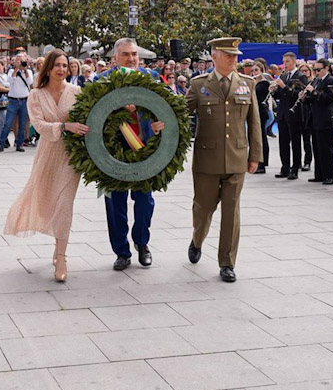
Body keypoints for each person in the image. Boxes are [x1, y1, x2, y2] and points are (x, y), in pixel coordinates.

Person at [3, 50, 87, 282]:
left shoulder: (77, 92)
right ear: (48, 68)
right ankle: (57, 243)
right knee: (47, 201)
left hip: (71, 156)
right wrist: (64, 127)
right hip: (48, 154)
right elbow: (38, 125)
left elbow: (88, 118)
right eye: (57, 65)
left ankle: (61, 257)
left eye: (65, 65)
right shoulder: (36, 95)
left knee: (64, 204)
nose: (62, 70)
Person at [185, 38, 262, 283]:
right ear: (214, 56)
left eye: (235, 55)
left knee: (231, 212)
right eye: (228, 55)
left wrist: (255, 155)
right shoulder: (199, 85)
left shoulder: (247, 84)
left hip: (237, 157)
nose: (233, 59)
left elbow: (255, 122)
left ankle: (227, 262)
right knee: (204, 208)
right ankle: (197, 240)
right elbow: (180, 113)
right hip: (207, 158)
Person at [97, 38, 166, 271]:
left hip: (144, 151)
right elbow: (93, 115)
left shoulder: (152, 78)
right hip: (113, 153)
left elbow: (166, 108)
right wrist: (116, 106)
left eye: (134, 54)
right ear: (114, 58)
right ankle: (121, 252)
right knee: (115, 204)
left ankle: (142, 242)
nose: (132, 58)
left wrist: (159, 124)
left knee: (145, 202)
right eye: (126, 54)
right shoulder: (102, 80)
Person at [270, 52, 307, 180]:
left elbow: (297, 94)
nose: (285, 64)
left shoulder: (300, 76)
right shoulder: (284, 75)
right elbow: (282, 95)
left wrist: (283, 86)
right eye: (284, 61)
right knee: (283, 142)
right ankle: (284, 167)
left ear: (294, 61)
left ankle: (295, 168)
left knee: (295, 142)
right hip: (283, 113)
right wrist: (274, 92)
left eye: (287, 62)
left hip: (294, 113)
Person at [305, 59, 333, 185]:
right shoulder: (316, 80)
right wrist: (305, 98)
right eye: (315, 70)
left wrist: (313, 92)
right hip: (315, 118)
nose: (316, 72)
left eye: (318, 70)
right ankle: (320, 174)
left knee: (326, 149)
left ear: (326, 68)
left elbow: (330, 99)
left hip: (326, 118)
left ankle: (331, 176)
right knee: (317, 148)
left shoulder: (332, 80)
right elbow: (313, 99)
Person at [0, 54, 34, 153]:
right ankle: (1, 144)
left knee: (22, 124)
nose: (20, 63)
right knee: (8, 124)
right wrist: (16, 69)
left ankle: (19, 144)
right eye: (18, 61)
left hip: (24, 100)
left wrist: (24, 70)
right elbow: (10, 81)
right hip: (13, 101)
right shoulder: (11, 71)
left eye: (22, 61)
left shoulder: (28, 71)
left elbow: (30, 82)